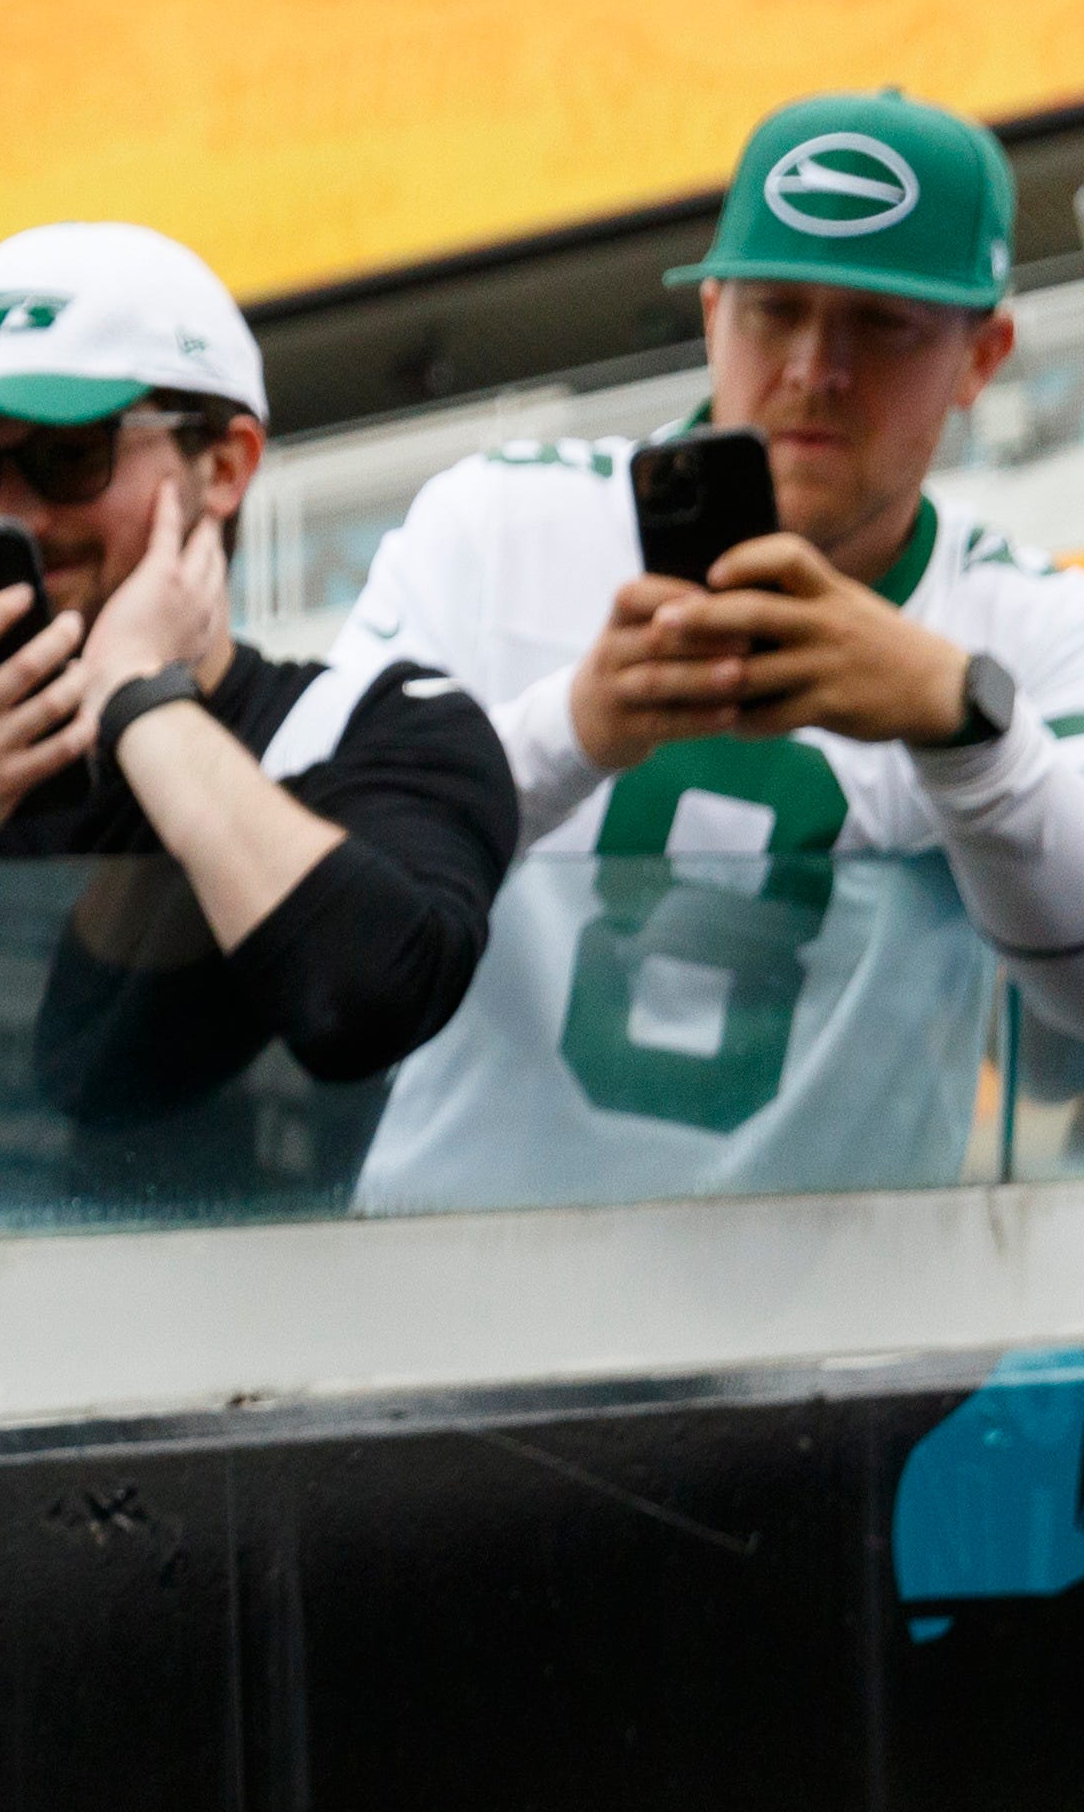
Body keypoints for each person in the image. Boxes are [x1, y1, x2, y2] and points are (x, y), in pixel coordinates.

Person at [0, 223, 516, 1221]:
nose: (16, 516)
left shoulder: (367, 725)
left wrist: (139, 702)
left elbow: (365, 998)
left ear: (227, 465)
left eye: (69, 455)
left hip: (259, 1365)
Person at [338, 92, 1084, 1211]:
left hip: (834, 1356)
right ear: (712, 314)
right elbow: (314, 897)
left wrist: (963, 729)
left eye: (883, 323)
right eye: (774, 310)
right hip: (451, 1319)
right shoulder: (494, 526)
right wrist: (571, 728)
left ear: (983, 357)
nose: (814, 366)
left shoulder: (1026, 624)